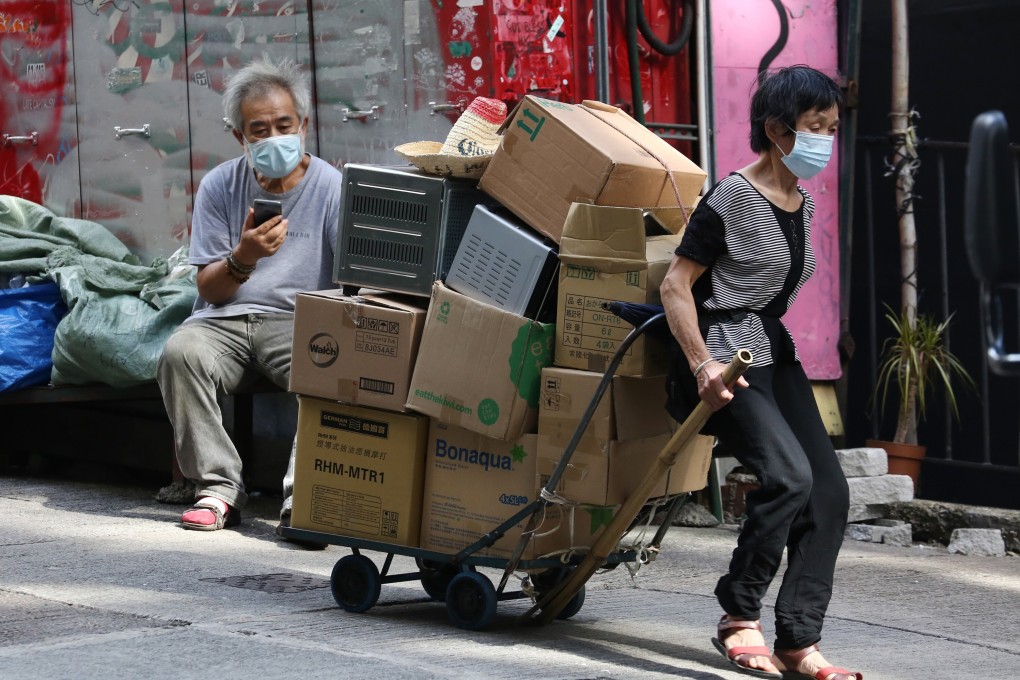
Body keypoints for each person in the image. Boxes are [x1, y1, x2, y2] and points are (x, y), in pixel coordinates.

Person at [660, 66, 861, 680]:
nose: (826, 139)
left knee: (830, 491)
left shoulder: (802, 201)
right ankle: (738, 617)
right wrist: (702, 366)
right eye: (814, 127)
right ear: (776, 129)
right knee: (788, 476)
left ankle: (800, 639)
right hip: (724, 349)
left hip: (773, 349)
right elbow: (675, 285)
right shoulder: (731, 197)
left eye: (831, 127)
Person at [157, 56, 341, 543]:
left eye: (284, 124)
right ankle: (217, 488)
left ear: (303, 125)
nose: (273, 136)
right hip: (226, 319)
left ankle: (303, 498)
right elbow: (210, 289)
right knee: (181, 352)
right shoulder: (221, 185)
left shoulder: (332, 187)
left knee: (331, 364)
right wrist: (244, 256)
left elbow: (351, 283)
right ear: (241, 137)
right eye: (259, 129)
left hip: (299, 319)